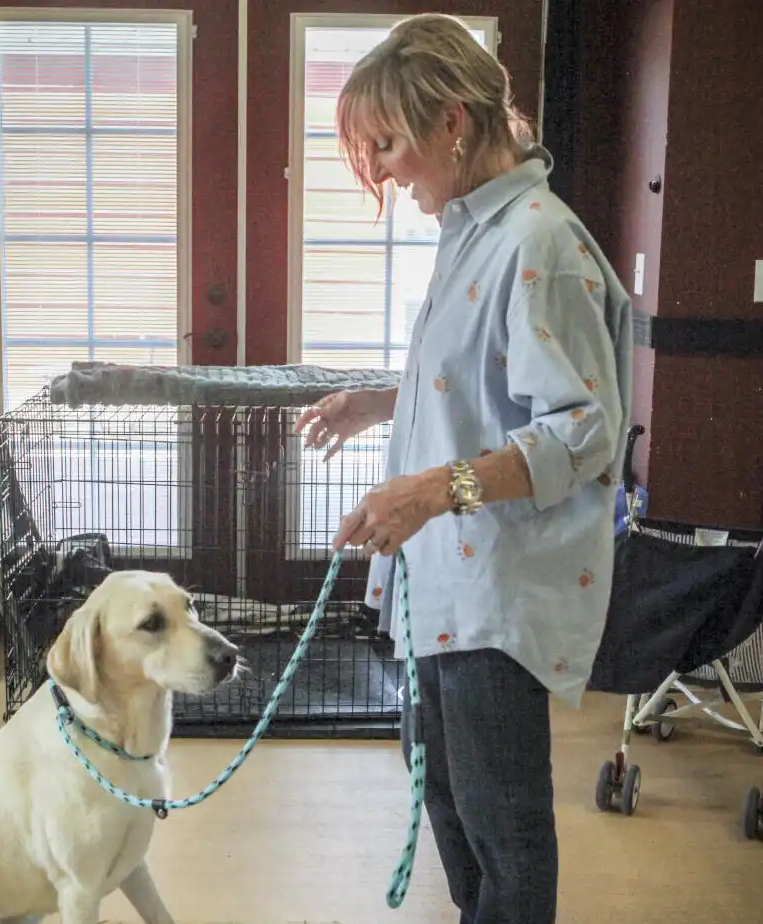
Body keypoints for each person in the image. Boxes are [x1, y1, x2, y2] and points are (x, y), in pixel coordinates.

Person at [294, 13, 632, 924]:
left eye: (391, 143)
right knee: (448, 805)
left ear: (452, 121)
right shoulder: (474, 230)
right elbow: (477, 380)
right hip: (445, 587)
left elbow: (580, 433)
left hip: (498, 594)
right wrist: (380, 400)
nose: (388, 169)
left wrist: (434, 489)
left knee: (504, 831)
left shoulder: (539, 243)